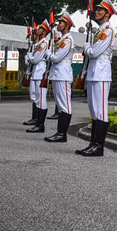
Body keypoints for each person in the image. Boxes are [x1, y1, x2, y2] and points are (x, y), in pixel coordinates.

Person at [77, 0, 116, 157]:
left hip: (101, 73)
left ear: (107, 14)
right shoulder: (100, 31)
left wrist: (86, 47)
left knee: (101, 111)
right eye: (97, 9)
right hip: (94, 72)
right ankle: (92, 144)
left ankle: (99, 146)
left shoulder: (108, 31)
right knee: (94, 111)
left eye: (101, 10)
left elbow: (94, 52)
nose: (97, 12)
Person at [44, 14, 75, 144]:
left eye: (61, 23)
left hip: (63, 73)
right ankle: (59, 132)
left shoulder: (68, 40)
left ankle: (62, 134)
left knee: (65, 105)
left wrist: (48, 54)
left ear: (67, 25)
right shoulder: (62, 39)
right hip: (57, 73)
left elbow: (56, 58)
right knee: (60, 105)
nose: (58, 25)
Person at [25, 20, 52, 134]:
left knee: (40, 99)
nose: (37, 30)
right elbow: (31, 60)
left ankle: (40, 124)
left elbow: (34, 59)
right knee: (34, 97)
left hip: (40, 72)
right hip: (35, 72)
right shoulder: (39, 43)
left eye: (40, 29)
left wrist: (29, 57)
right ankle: (36, 121)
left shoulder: (44, 43)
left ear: (45, 31)